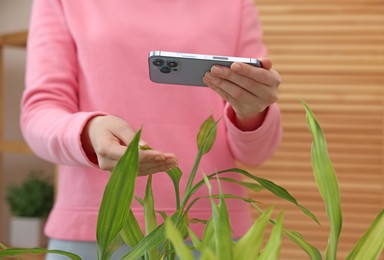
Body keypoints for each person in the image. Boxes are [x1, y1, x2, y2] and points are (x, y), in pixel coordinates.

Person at [20, 0, 282, 259]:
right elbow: (39, 112)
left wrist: (251, 111)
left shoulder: (235, 4)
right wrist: (89, 132)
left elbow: (255, 153)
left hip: (213, 230)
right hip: (99, 229)